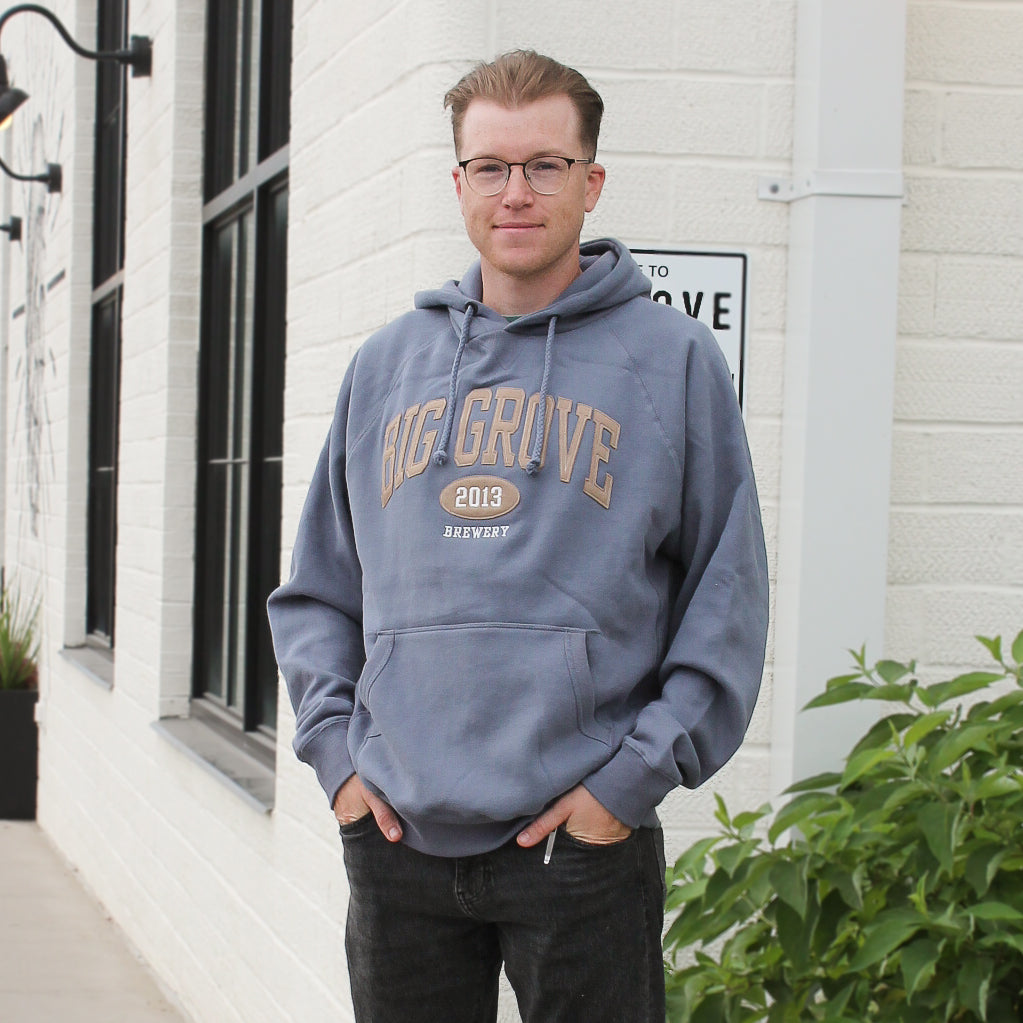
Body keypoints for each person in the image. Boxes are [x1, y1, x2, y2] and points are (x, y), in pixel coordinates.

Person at [268, 49, 769, 1023]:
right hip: (400, 838)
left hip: (578, 849)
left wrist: (625, 786)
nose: (517, 193)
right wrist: (338, 761)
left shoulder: (670, 362)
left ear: (592, 180)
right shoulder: (387, 367)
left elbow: (728, 594)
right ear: (458, 184)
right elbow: (319, 592)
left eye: (545, 164)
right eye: (491, 168)